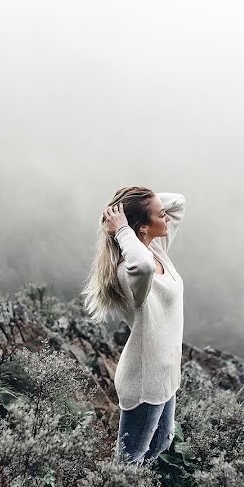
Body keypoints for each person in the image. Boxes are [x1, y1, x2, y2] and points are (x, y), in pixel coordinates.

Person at [82, 187, 187, 466]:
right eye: (159, 215)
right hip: (144, 380)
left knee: (162, 442)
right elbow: (142, 267)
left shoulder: (154, 249)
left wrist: (125, 210)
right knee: (128, 461)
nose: (167, 218)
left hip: (166, 374)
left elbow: (178, 203)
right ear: (142, 227)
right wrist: (123, 229)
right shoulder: (131, 272)